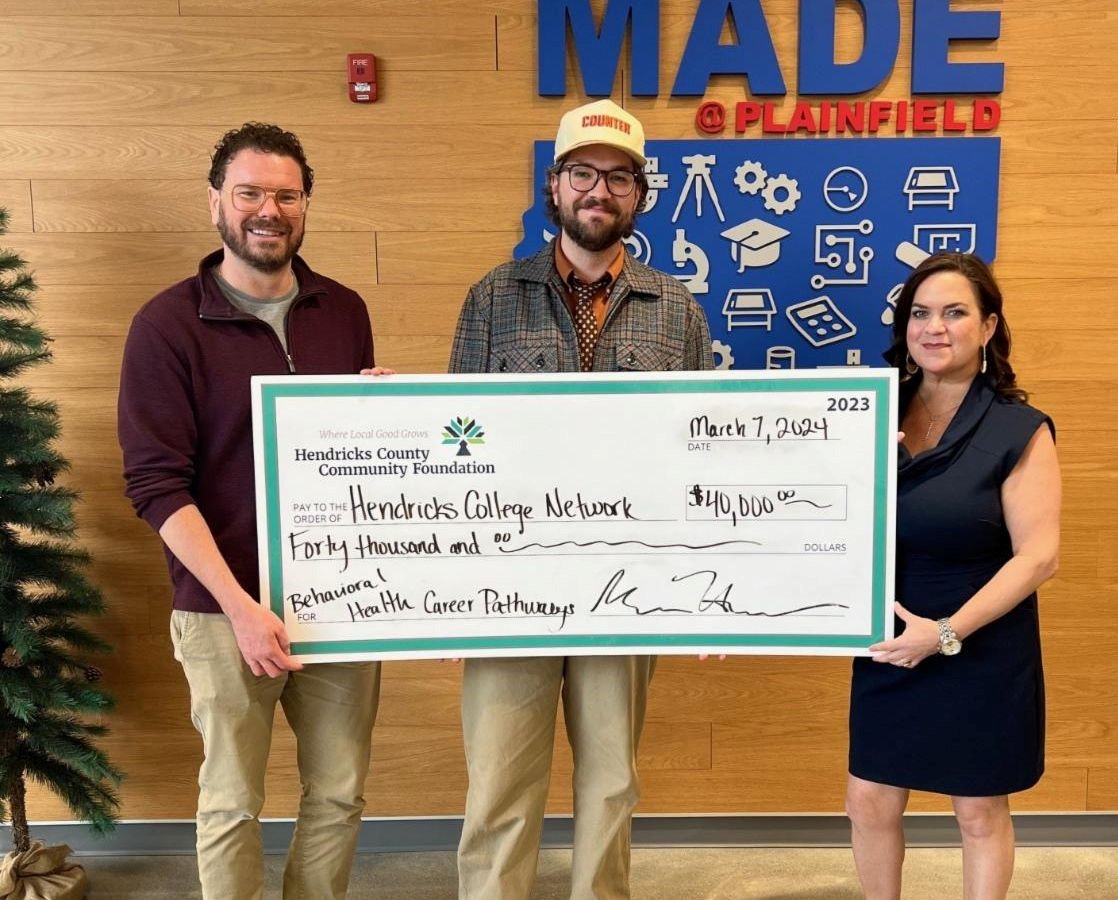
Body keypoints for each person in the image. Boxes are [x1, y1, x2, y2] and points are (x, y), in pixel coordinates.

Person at [448, 98, 713, 900]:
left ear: (641, 196)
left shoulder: (678, 311)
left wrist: (704, 595)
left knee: (610, 783)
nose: (601, 190)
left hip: (627, 590)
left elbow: (700, 455)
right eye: (584, 173)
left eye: (621, 178)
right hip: (510, 590)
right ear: (554, 186)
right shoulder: (493, 299)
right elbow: (452, 450)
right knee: (499, 786)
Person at [118, 122, 391, 900]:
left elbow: (352, 455)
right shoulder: (166, 326)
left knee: (339, 794)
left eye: (286, 195)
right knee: (234, 801)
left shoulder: (343, 310)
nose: (268, 211)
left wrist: (385, 414)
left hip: (340, 604)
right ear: (216, 204)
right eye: (250, 193)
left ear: (305, 206)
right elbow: (156, 487)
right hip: (220, 608)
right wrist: (240, 608)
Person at [845, 253, 1061, 900]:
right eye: (920, 313)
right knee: (870, 801)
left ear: (989, 327)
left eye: (955, 312)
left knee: (977, 811)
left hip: (980, 643)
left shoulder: (1020, 430)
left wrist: (943, 633)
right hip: (889, 642)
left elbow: (1038, 556)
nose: (934, 327)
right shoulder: (871, 412)